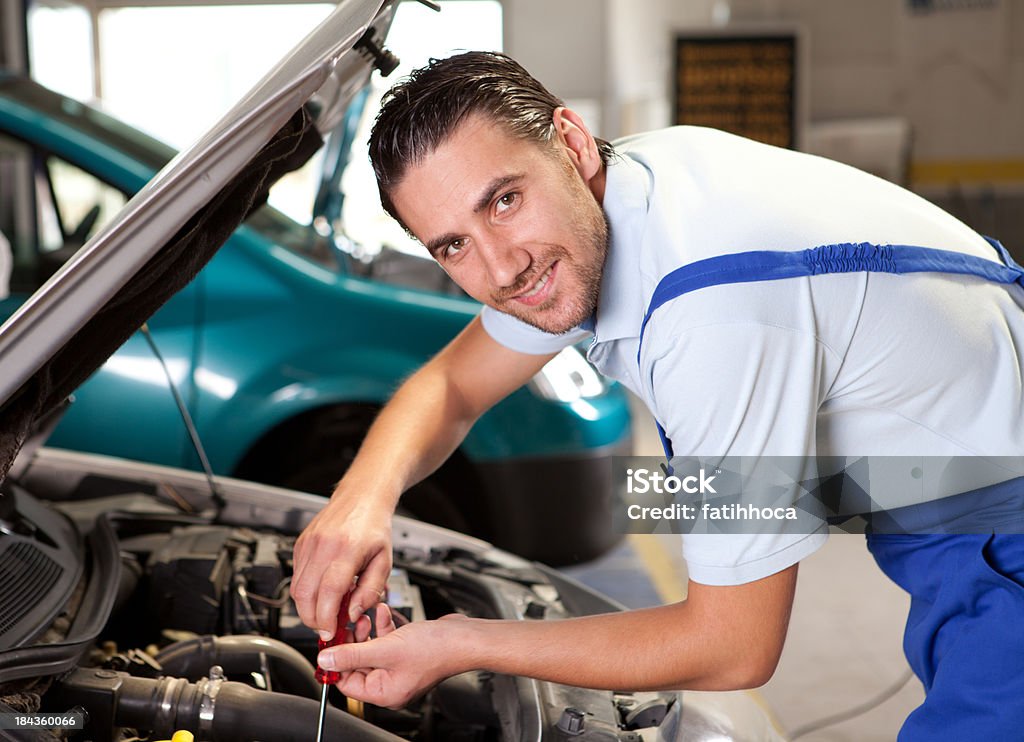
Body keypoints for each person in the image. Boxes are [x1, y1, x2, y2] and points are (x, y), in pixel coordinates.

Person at [290, 52, 1024, 740]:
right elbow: (451, 383)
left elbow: (733, 646)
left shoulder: (714, 312)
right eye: (452, 245)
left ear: (570, 142)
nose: (501, 269)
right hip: (949, 473)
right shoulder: (627, 184)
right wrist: (359, 505)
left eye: (505, 201)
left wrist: (460, 643)